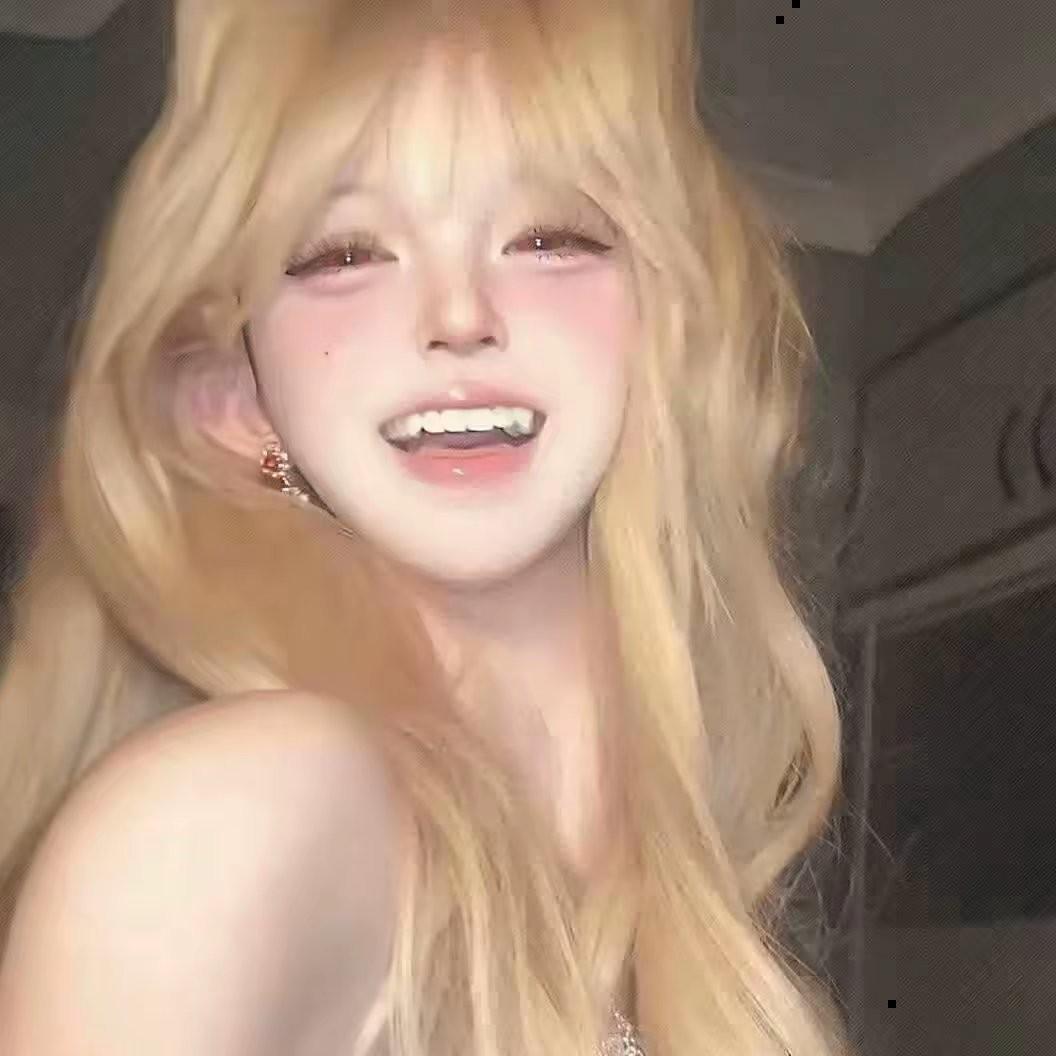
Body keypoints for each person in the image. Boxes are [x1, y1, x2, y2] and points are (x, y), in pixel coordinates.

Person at [0, 0, 853, 1053]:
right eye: (344, 253)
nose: (458, 315)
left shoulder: (662, 878)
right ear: (235, 396)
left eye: (548, 237)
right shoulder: (231, 821)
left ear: (670, 331)